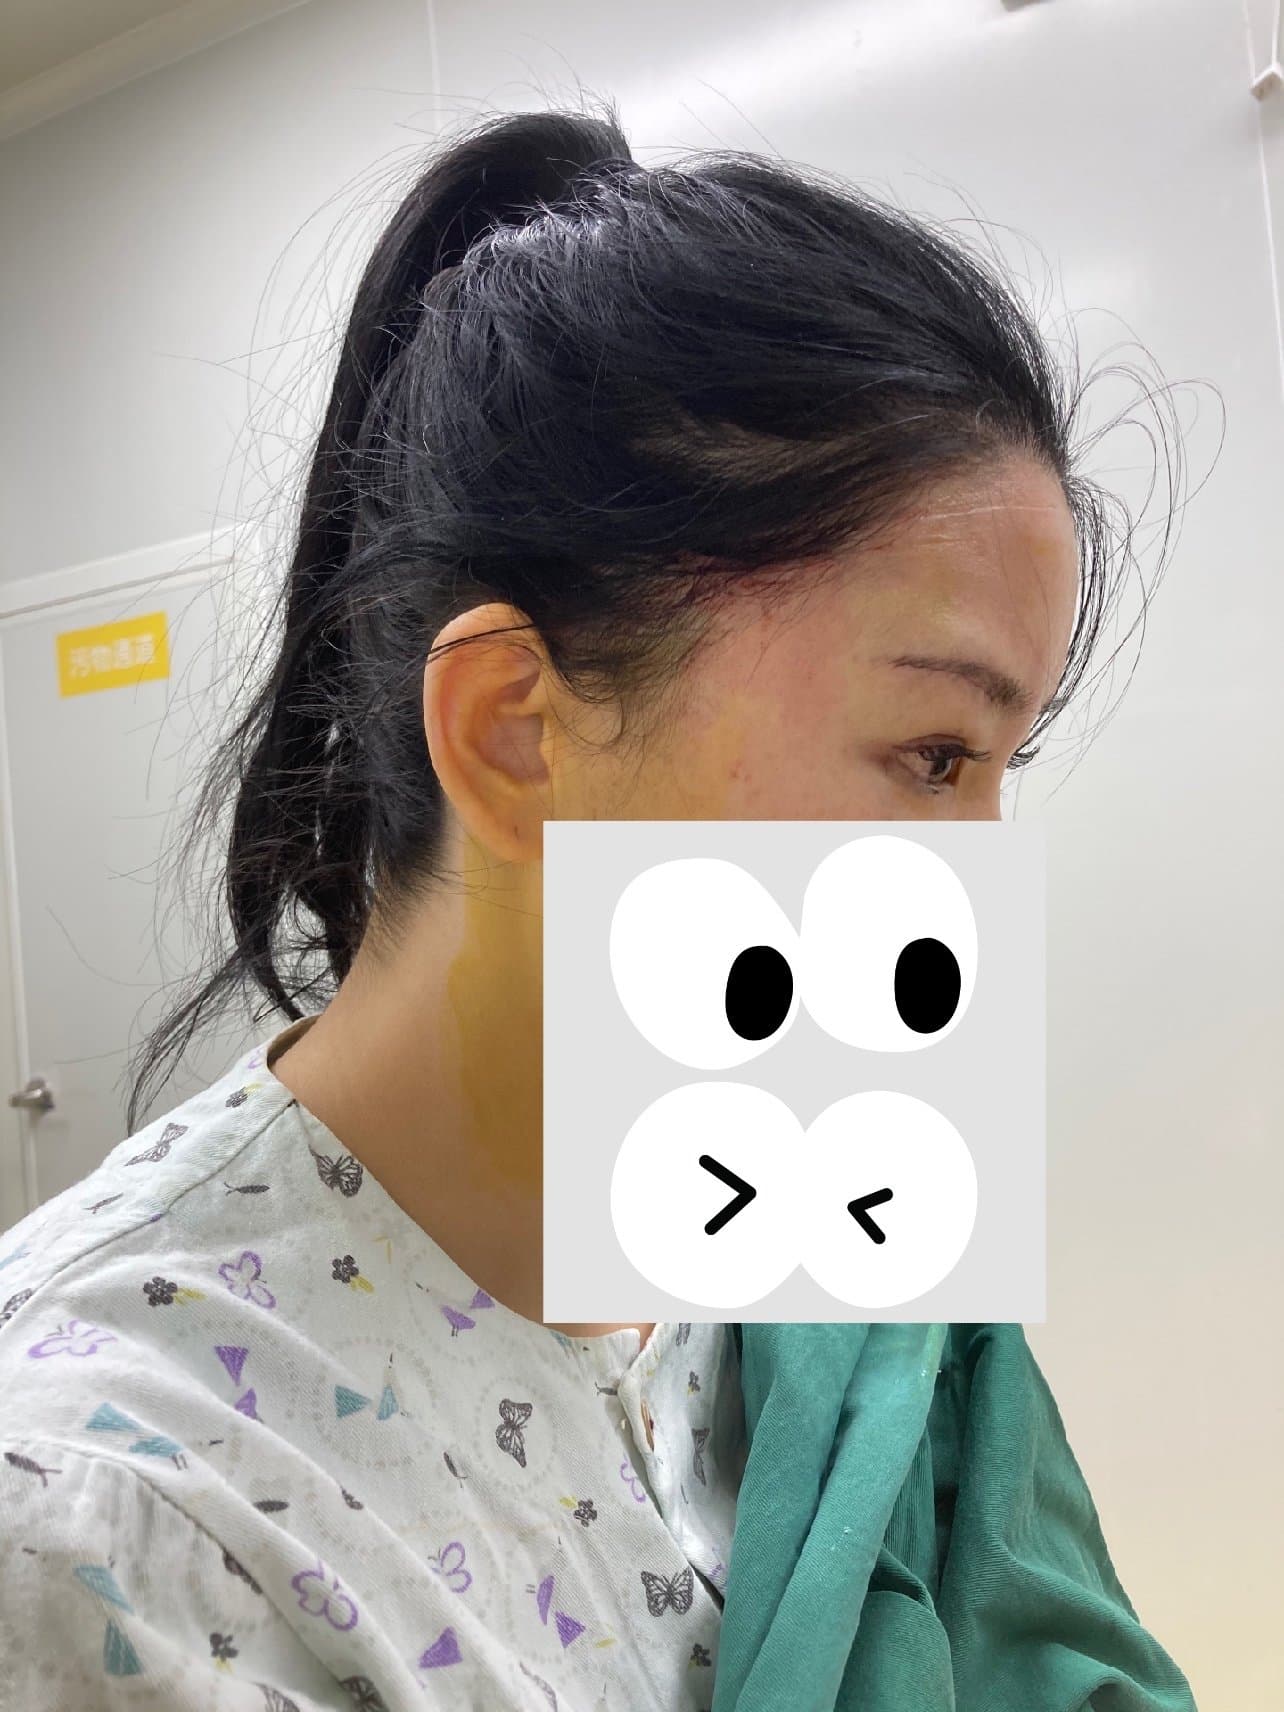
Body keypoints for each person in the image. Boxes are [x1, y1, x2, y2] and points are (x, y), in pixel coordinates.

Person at [0, 102, 1181, 1711]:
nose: (978, 887)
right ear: (516, 733)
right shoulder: (111, 1530)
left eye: (996, 769)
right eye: (930, 755)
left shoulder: (809, 1232)